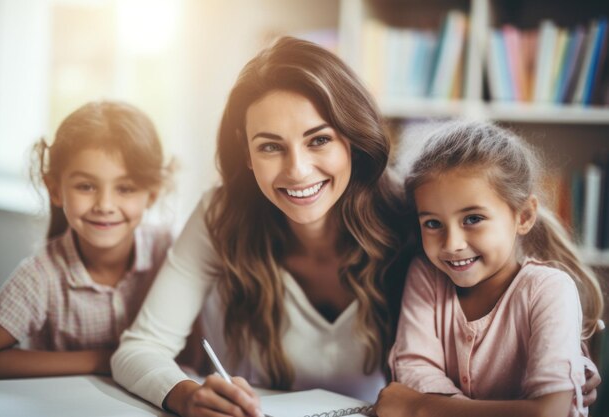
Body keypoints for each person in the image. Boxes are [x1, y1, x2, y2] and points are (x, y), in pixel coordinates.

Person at [111, 36, 413, 417]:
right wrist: (187, 396)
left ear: (352, 139)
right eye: (271, 147)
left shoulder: (413, 217)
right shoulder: (221, 215)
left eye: (319, 140)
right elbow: (140, 348)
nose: (297, 170)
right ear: (247, 154)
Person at [376, 121, 605, 417]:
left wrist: (420, 407)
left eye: (472, 219)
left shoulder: (549, 290)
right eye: (432, 223)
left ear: (523, 216)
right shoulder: (426, 276)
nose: (452, 244)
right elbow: (415, 371)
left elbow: (549, 412)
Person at [0, 101, 173, 379]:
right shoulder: (41, 274)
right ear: (55, 190)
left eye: (126, 188)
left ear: (152, 194)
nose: (105, 204)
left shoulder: (169, 252)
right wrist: (102, 360)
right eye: (86, 186)